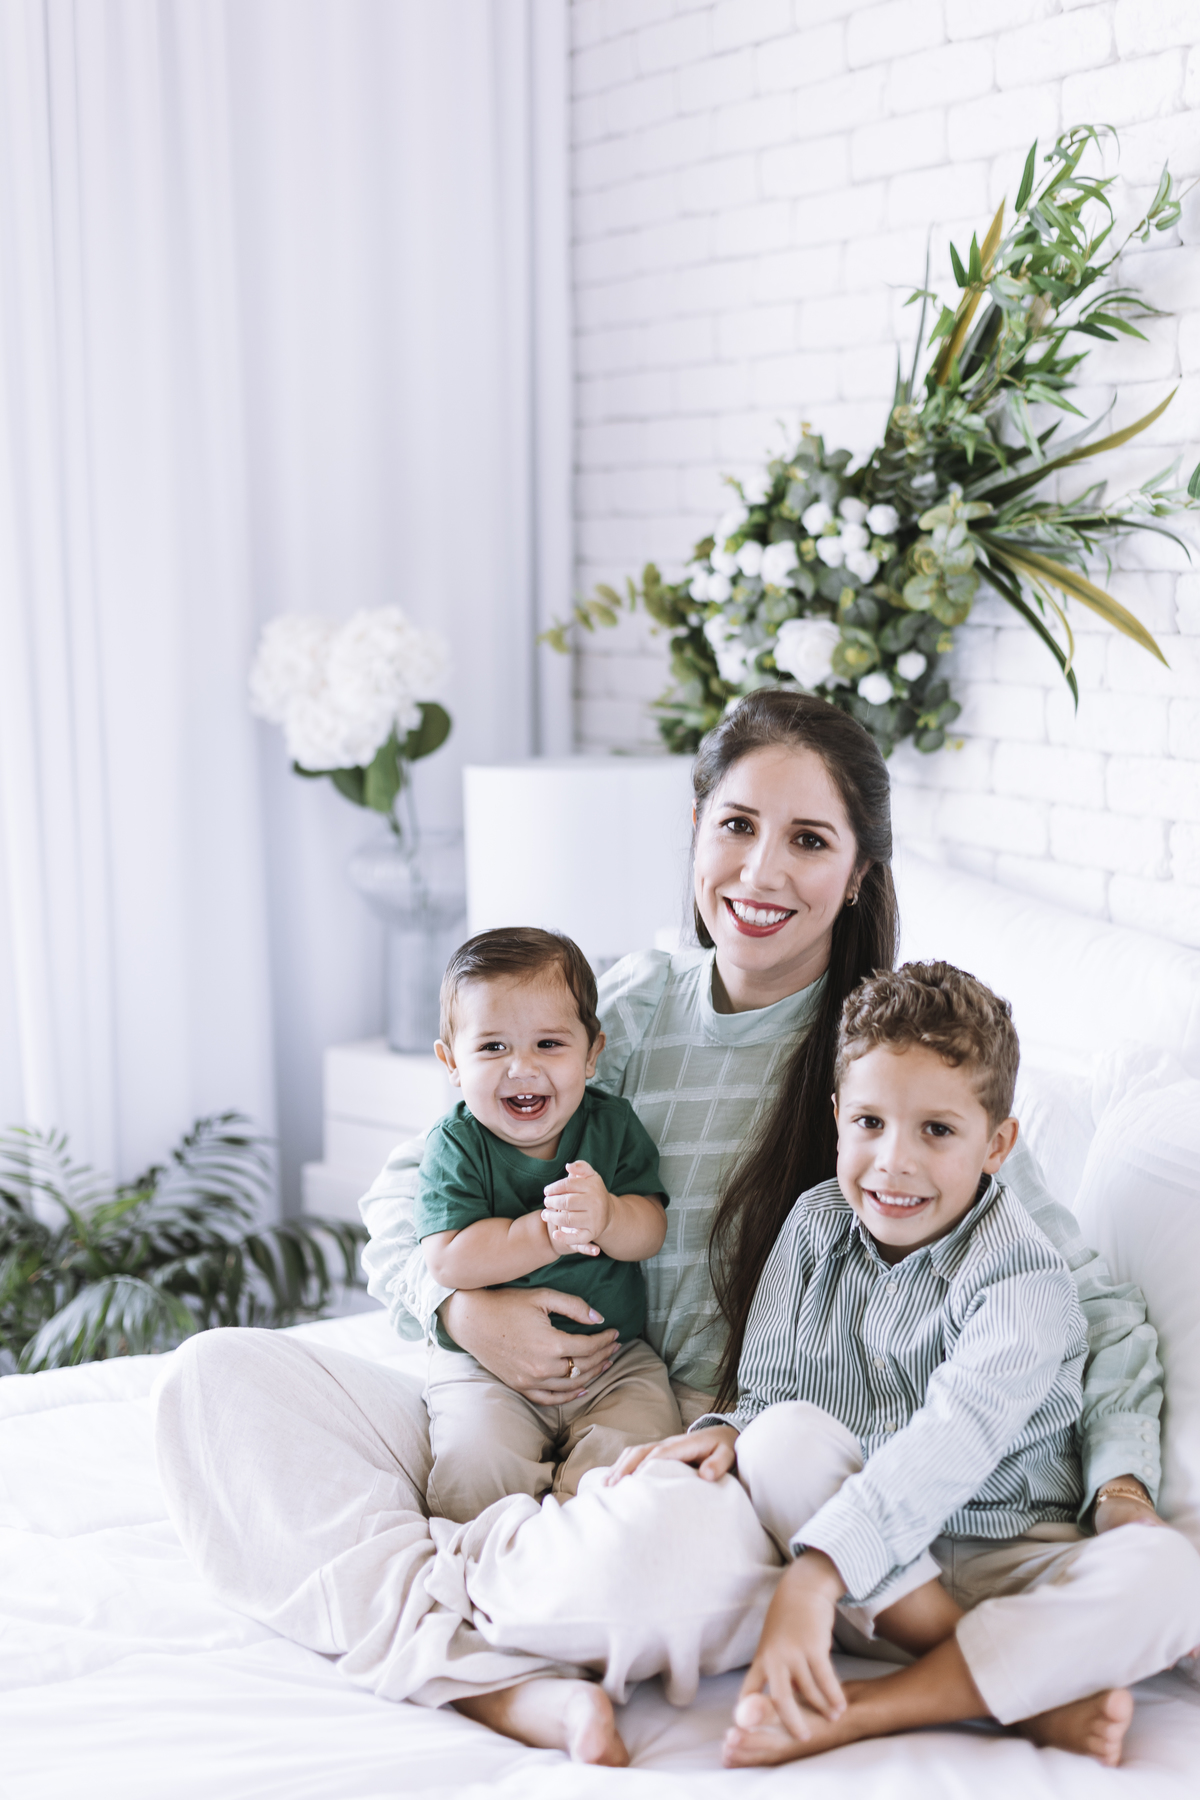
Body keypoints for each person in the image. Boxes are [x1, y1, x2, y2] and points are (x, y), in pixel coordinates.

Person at [156, 692, 1170, 1765]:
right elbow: (406, 1194)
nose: (761, 872)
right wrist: (460, 1309)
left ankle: (476, 1640)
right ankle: (500, 1659)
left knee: (656, 1558)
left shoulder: (894, 1070)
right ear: (695, 829)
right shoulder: (627, 1009)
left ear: (858, 874)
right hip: (519, 1411)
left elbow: (1085, 1301)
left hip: (709, 1463)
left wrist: (1121, 1488)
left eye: (809, 840)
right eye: (737, 825)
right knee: (213, 1383)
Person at [606, 962, 1200, 1769]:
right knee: (781, 1438)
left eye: (937, 1131)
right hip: (881, 1580)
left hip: (1005, 1552)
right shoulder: (812, 1227)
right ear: (837, 1119)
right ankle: (1019, 1691)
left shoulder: (1024, 1278)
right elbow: (771, 1390)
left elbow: (955, 1435)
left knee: (1171, 1575)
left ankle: (871, 1709)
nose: (894, 1161)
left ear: (997, 1145)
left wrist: (816, 1576)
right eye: (870, 1122)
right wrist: (733, 1428)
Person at [415, 926, 679, 1522]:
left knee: (639, 1460)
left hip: (613, 1361)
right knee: (473, 1467)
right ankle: (486, 1554)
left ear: (591, 1054)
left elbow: (650, 1229)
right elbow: (449, 1258)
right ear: (451, 1062)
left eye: (549, 1044)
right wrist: (544, 1233)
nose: (522, 1068)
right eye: (493, 1047)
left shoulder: (612, 1126)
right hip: (487, 1366)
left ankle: (573, 1539)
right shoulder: (455, 1146)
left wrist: (608, 1214)